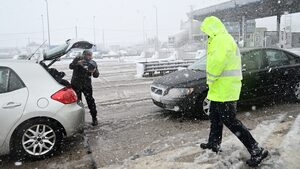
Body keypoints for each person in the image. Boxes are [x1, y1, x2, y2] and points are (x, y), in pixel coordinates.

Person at [200, 16, 268, 167]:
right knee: (215, 119)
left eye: (206, 31)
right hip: (219, 90)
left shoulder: (221, 40)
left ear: (211, 29)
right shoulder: (219, 39)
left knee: (231, 122)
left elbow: (218, 62)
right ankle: (213, 144)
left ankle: (257, 150)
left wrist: (210, 78)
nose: (205, 34)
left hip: (225, 89)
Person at [69, 49, 99, 126]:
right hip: (76, 84)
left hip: (87, 85)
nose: (90, 57)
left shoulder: (93, 63)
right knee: (77, 103)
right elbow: (70, 66)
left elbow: (96, 75)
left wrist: (94, 71)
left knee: (90, 101)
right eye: (88, 55)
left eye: (90, 55)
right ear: (84, 55)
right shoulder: (78, 59)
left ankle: (94, 118)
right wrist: (77, 64)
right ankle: (78, 121)